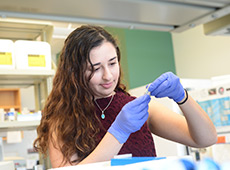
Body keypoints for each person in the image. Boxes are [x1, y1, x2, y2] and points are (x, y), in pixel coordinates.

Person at [33, 25, 217, 168]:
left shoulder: (139, 108)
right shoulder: (62, 120)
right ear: (75, 72)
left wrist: (182, 96)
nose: (108, 75)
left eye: (112, 63)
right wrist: (118, 132)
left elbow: (206, 139)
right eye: (96, 68)